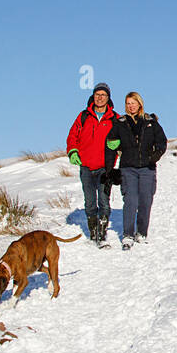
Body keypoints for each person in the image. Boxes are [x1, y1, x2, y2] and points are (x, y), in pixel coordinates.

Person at [106, 92, 167, 249]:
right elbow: (111, 142)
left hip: (147, 168)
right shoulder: (120, 123)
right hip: (128, 168)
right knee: (130, 201)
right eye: (127, 103)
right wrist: (110, 166)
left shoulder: (150, 122)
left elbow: (162, 141)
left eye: (133, 103)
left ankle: (142, 232)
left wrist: (155, 155)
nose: (130, 106)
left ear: (140, 104)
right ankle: (127, 234)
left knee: (146, 201)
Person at [66, 82, 118, 246]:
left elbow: (124, 137)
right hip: (86, 166)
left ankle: (102, 233)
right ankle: (93, 230)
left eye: (103, 95)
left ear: (108, 98)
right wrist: (73, 151)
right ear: (93, 97)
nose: (100, 97)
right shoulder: (84, 116)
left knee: (104, 201)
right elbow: (72, 136)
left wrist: (119, 143)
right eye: (97, 94)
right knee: (89, 202)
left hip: (105, 167)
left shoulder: (115, 118)